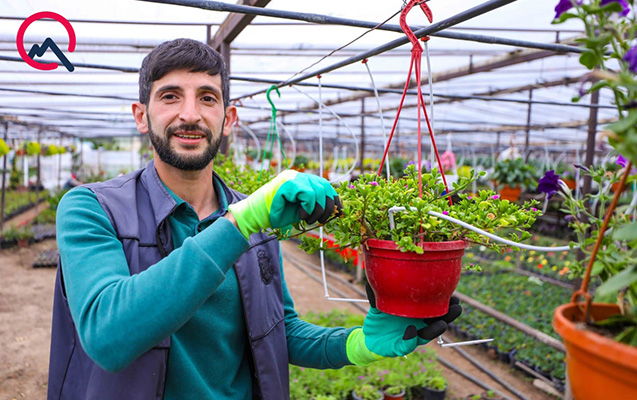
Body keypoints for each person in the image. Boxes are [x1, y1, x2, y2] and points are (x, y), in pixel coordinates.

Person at [47, 38, 461, 400]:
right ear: (141, 116)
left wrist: (358, 344)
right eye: (170, 96)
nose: (190, 114)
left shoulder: (256, 217)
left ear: (228, 120)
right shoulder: (91, 208)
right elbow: (108, 336)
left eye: (207, 98)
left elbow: (278, 331)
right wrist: (240, 223)